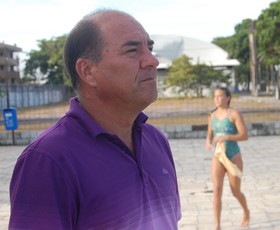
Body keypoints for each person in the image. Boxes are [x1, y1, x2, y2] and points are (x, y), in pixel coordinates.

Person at [9, 9, 181, 230]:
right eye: (132, 50)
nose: (152, 60)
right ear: (88, 71)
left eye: (150, 48)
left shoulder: (156, 141)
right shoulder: (48, 160)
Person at [205, 86, 250, 230]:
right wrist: (208, 141)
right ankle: (217, 226)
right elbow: (210, 133)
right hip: (218, 156)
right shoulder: (211, 115)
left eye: (220, 96)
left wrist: (227, 136)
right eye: (215, 96)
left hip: (233, 155)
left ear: (228, 97)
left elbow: (244, 136)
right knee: (217, 190)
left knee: (235, 191)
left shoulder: (234, 114)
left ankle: (246, 211)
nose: (217, 99)